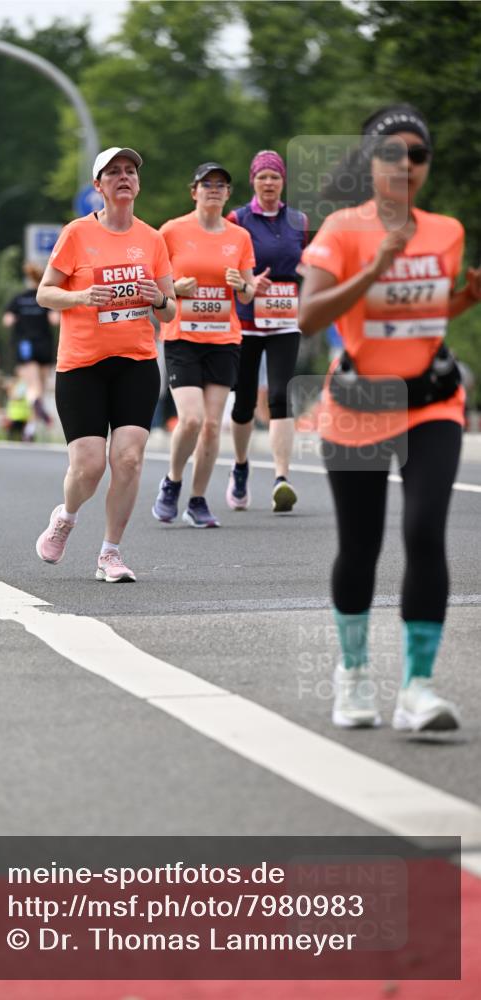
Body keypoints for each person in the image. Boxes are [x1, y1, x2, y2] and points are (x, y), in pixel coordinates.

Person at [299, 104, 481, 732]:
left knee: (426, 532)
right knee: (362, 544)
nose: (407, 165)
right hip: (361, 402)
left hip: (432, 398)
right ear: (371, 162)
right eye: (393, 154)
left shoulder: (447, 231)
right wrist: (375, 266)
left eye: (419, 155)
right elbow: (310, 317)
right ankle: (352, 676)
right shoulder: (342, 230)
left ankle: (418, 689)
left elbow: (420, 316)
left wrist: (465, 297)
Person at [35, 147, 175, 582]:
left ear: (138, 183)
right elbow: (45, 292)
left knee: (129, 459)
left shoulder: (152, 240)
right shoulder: (77, 233)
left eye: (130, 171)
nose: (123, 177)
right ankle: (67, 515)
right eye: (113, 172)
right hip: (82, 365)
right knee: (89, 466)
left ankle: (110, 553)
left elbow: (169, 311)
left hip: (135, 361)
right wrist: (79, 297)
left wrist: (158, 299)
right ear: (99, 186)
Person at [152, 162, 255, 527]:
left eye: (221, 185)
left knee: (212, 425)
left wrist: (242, 285)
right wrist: (174, 289)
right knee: (192, 418)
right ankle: (172, 481)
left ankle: (197, 500)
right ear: (193, 191)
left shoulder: (239, 237)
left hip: (224, 339)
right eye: (206, 184)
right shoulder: (172, 231)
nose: (214, 189)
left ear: (228, 194)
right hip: (183, 337)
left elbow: (248, 291)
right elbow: (155, 283)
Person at [226, 150, 308, 513]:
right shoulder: (238, 219)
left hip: (285, 320)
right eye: (263, 177)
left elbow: (311, 263)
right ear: (253, 182)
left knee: (279, 395)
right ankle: (241, 466)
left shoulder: (299, 220)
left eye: (275, 176)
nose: (269, 182)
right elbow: (225, 267)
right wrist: (245, 282)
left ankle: (281, 478)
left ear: (283, 180)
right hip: (245, 321)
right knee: (244, 402)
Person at [3, 263, 57, 438]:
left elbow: (8, 321)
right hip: (44, 344)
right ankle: (30, 429)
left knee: (32, 387)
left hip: (25, 344)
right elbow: (55, 320)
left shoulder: (18, 299)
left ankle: (34, 404)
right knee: (40, 385)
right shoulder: (46, 298)